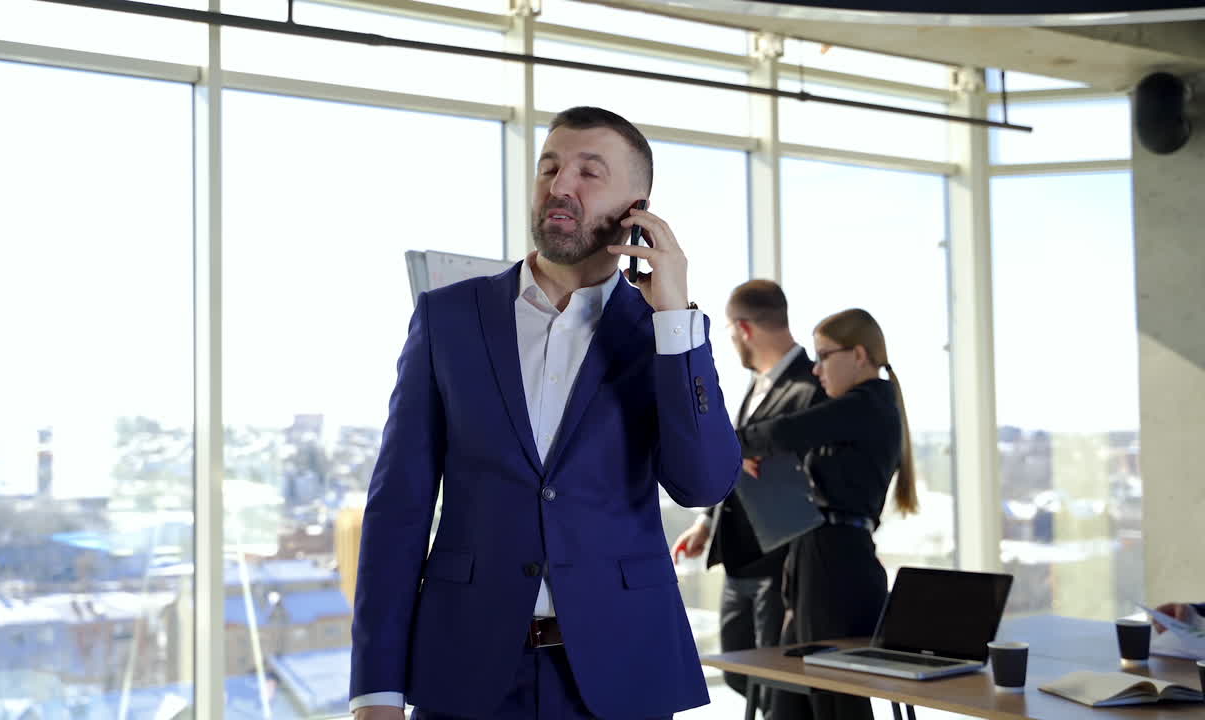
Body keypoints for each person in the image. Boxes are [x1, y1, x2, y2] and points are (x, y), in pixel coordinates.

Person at [349, 106, 741, 720]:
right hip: (465, 672)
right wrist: (376, 688)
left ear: (637, 207)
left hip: (621, 677)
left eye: (589, 172)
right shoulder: (449, 317)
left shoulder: (662, 335)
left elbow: (704, 483)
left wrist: (674, 318)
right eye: (549, 168)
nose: (560, 186)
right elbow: (398, 507)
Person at [736, 308, 919, 720]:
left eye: (823, 356)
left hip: (836, 566)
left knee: (833, 703)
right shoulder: (862, 408)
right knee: (790, 700)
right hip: (818, 557)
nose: (816, 370)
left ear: (858, 355)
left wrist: (733, 445)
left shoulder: (868, 403)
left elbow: (785, 431)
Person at [671, 279, 825, 714]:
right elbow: (735, 463)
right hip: (739, 558)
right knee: (741, 672)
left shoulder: (811, 386)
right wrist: (707, 522)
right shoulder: (756, 386)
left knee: (778, 689)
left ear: (743, 328)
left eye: (729, 331)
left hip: (781, 561)